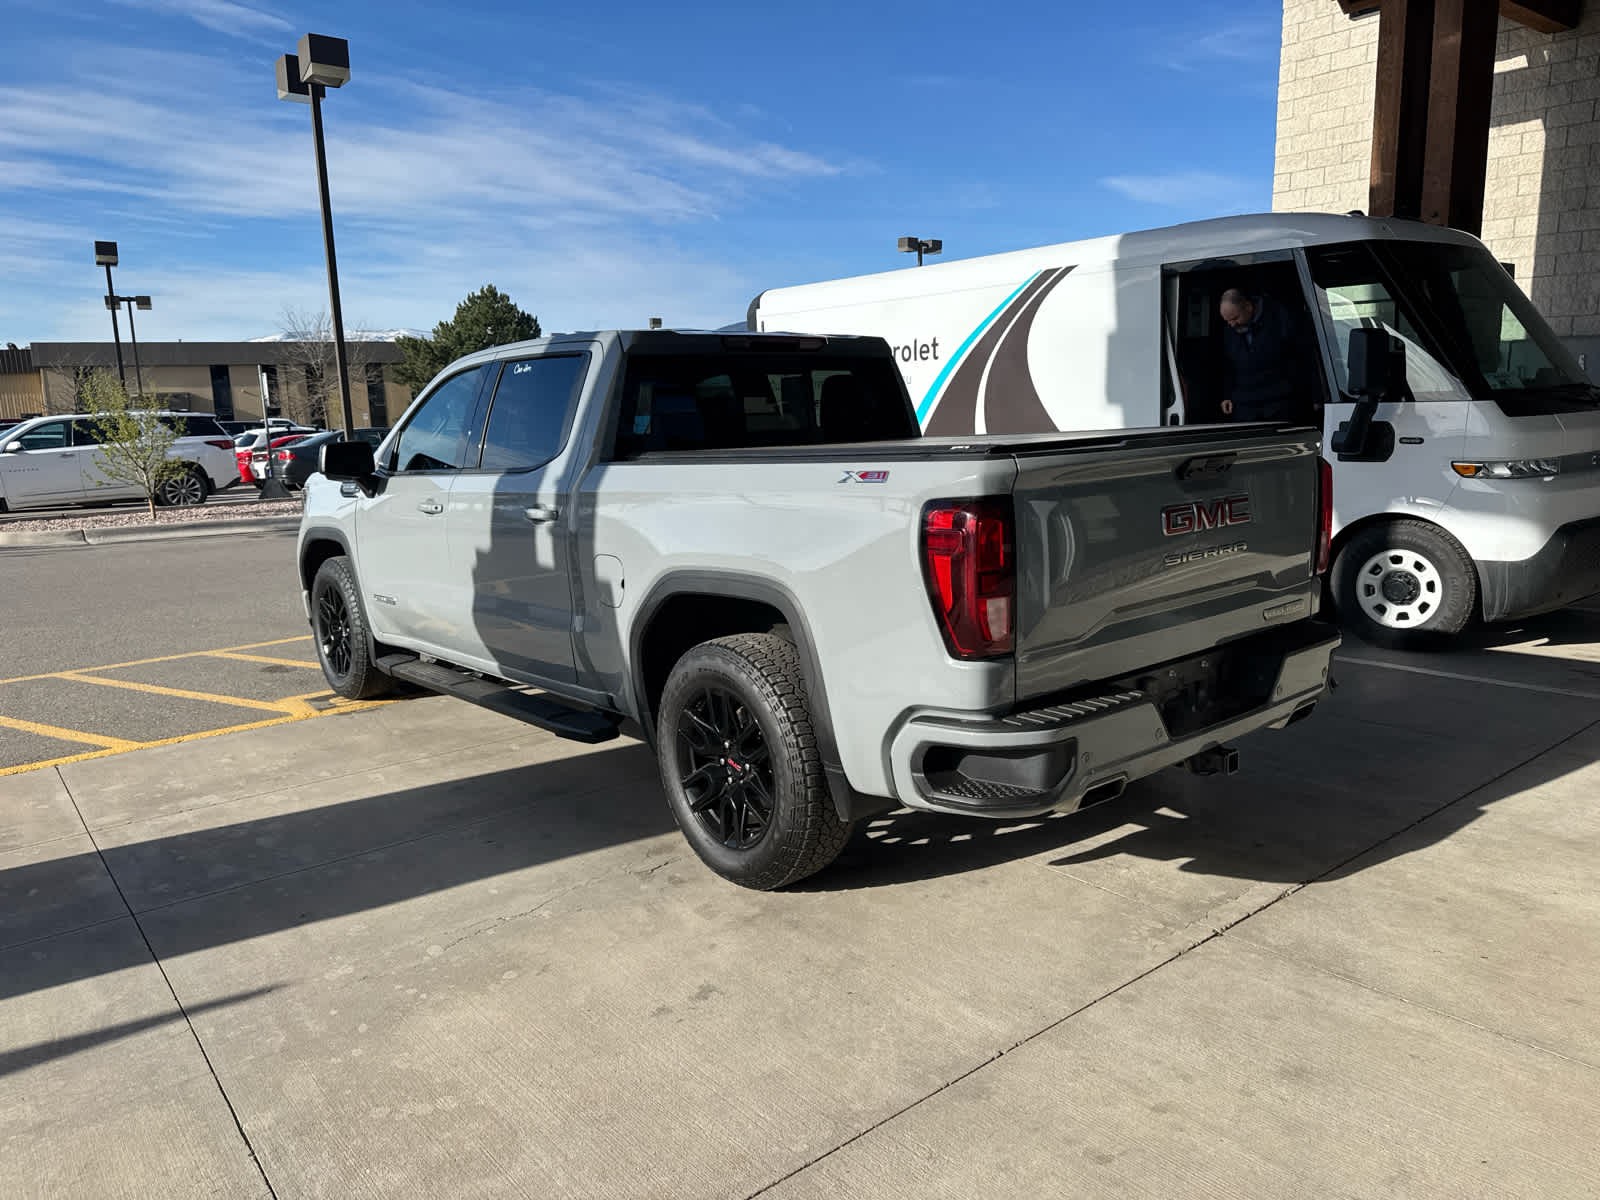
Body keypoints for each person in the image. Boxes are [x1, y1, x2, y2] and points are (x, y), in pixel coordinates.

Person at [1217, 287, 1316, 423]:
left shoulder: (1281, 318)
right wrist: (1227, 395)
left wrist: (1313, 396)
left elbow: (1303, 358)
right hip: (1244, 407)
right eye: (1227, 321)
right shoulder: (1230, 330)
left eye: (1235, 318)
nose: (1232, 324)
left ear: (1248, 306)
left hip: (1279, 403)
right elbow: (1228, 365)